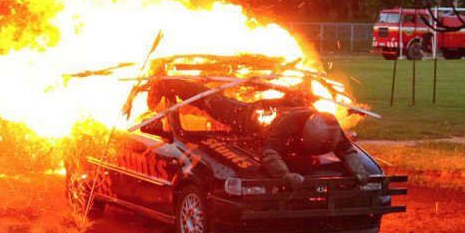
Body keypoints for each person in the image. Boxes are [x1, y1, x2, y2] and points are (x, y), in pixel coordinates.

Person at [147, 78, 369, 187]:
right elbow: (270, 154)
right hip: (252, 116)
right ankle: (165, 84)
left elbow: (347, 150)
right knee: (214, 102)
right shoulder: (286, 126)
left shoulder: (329, 125)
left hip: (288, 105)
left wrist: (359, 172)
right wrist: (285, 176)